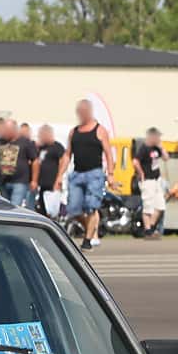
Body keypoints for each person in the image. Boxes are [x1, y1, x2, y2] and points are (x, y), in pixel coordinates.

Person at [66, 98, 112, 250]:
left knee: (91, 207)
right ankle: (90, 229)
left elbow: (108, 153)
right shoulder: (74, 132)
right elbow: (67, 154)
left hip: (94, 174)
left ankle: (87, 240)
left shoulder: (99, 130)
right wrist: (58, 176)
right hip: (77, 174)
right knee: (73, 209)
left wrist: (110, 173)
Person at [0, 116, 38, 209]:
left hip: (20, 182)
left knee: (14, 208)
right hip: (3, 182)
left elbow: (35, 161)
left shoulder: (25, 142)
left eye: (6, 130)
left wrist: (34, 180)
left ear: (14, 130)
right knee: (4, 208)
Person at [136, 128, 167, 237]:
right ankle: (148, 230)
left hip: (156, 180)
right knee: (148, 207)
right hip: (147, 180)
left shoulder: (156, 149)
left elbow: (166, 158)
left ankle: (152, 227)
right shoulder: (144, 148)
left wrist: (161, 147)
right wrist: (141, 173)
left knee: (160, 206)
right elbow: (135, 161)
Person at [34, 123, 67, 218]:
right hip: (42, 185)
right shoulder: (41, 148)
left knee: (51, 210)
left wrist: (59, 179)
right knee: (42, 209)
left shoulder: (57, 147)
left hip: (52, 184)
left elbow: (63, 161)